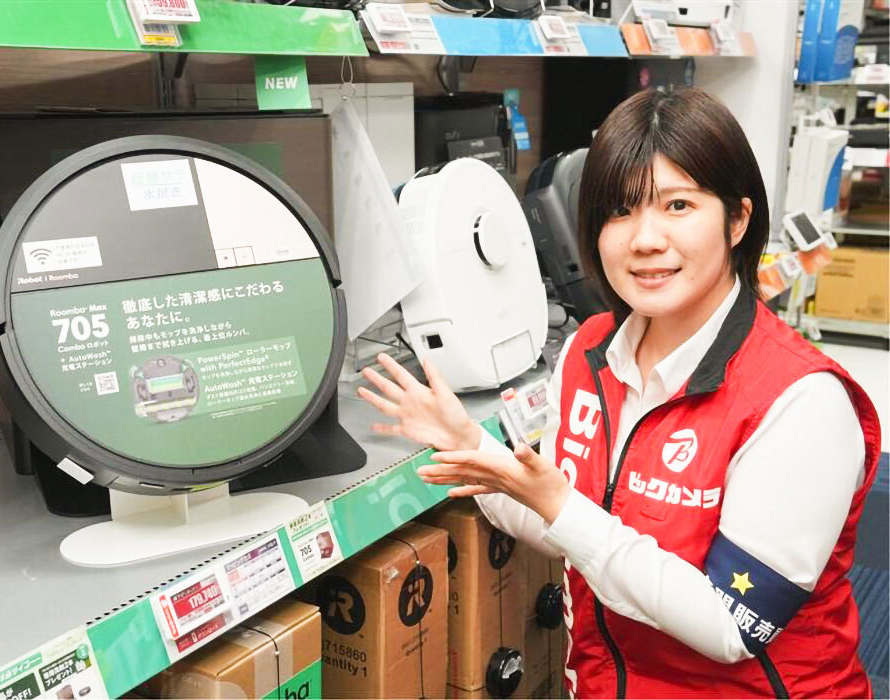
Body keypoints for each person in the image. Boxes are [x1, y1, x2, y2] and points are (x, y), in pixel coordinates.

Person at [357, 87, 881, 698]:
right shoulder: (590, 351)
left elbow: (732, 624)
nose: (644, 239)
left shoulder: (801, 399)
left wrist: (561, 505)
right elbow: (561, 524)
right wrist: (471, 447)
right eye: (619, 210)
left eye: (678, 205)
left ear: (737, 220)